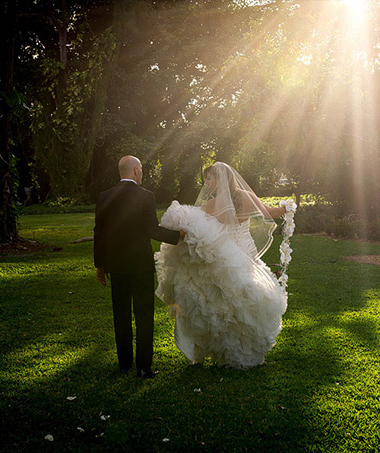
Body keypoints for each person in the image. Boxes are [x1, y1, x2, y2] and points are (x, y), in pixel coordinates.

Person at [155, 162, 288, 369]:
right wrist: (286, 207)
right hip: (246, 250)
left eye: (209, 178)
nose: (206, 183)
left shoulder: (211, 204)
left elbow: (203, 233)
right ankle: (245, 347)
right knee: (246, 298)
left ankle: (226, 348)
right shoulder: (248, 196)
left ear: (220, 179)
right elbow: (270, 213)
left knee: (222, 301)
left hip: (226, 253)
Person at [94, 155, 184, 378]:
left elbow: (100, 233)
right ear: (135, 171)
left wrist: (100, 265)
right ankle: (143, 367)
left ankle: (124, 363)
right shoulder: (145, 196)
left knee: (121, 314)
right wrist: (178, 235)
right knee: (144, 315)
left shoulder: (104, 197)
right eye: (141, 169)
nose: (142, 172)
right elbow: (152, 230)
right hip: (140, 266)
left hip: (116, 265)